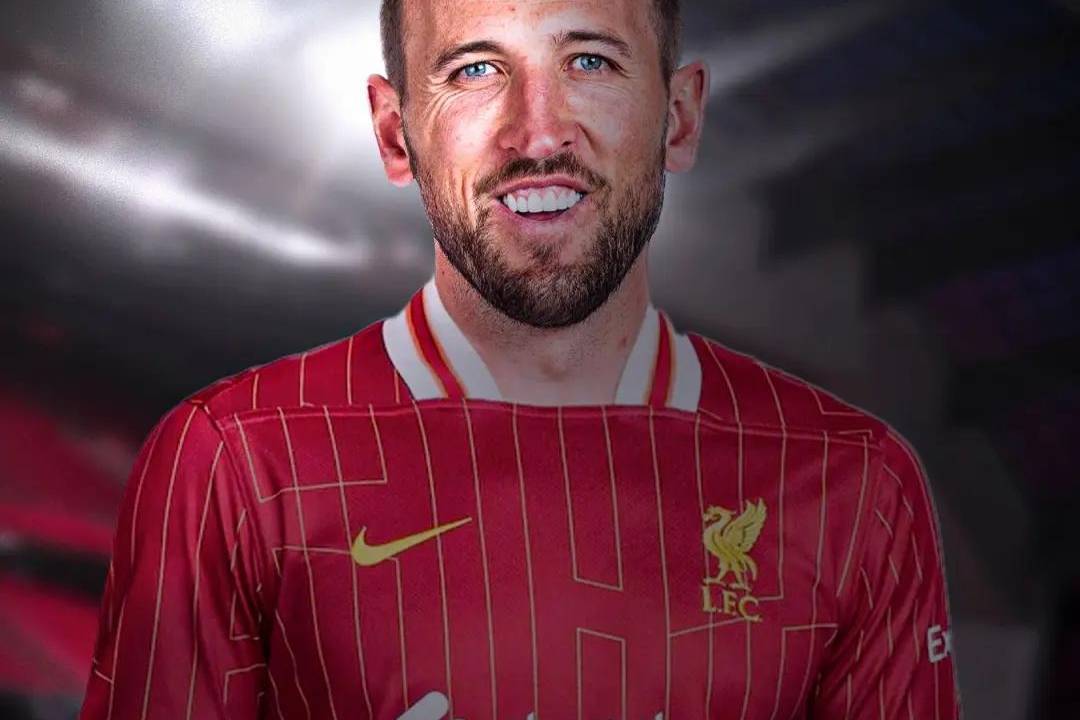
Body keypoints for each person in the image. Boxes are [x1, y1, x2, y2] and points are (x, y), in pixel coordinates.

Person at [80, 0, 961, 718]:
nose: (537, 135)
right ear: (393, 133)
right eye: (475, 71)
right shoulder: (233, 460)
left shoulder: (854, 482)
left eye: (590, 62)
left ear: (680, 118)